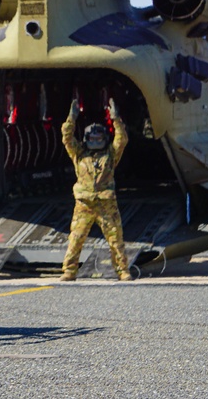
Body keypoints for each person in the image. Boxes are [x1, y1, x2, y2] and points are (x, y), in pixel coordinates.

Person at [60, 97, 133, 282]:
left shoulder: (110, 154)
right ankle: (69, 271)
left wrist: (115, 118)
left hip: (106, 204)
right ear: (86, 140)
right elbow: (67, 138)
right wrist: (71, 118)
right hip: (84, 204)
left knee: (116, 240)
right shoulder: (79, 155)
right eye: (91, 138)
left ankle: (123, 270)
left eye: (98, 138)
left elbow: (122, 139)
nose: (95, 141)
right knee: (76, 239)